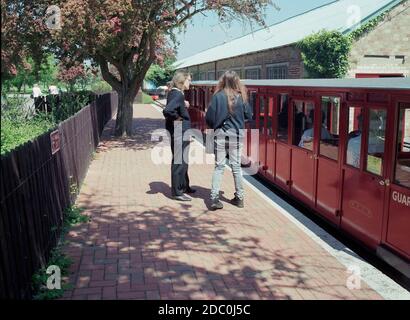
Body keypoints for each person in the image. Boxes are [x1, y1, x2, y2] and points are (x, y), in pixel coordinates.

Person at [205, 70, 252, 211]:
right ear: (236, 81)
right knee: (236, 167)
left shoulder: (217, 96)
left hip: (220, 135)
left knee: (219, 167)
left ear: (223, 81)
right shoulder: (241, 97)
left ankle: (214, 199)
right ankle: (240, 198)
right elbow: (249, 115)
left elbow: (209, 118)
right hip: (236, 136)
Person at [163, 71, 196, 201]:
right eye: (189, 80)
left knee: (184, 160)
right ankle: (177, 192)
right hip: (178, 131)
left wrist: (183, 104)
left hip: (180, 131)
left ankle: (184, 186)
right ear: (182, 81)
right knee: (179, 161)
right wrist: (178, 119)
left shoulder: (176, 93)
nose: (190, 82)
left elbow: (175, 106)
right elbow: (168, 111)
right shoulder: (177, 94)